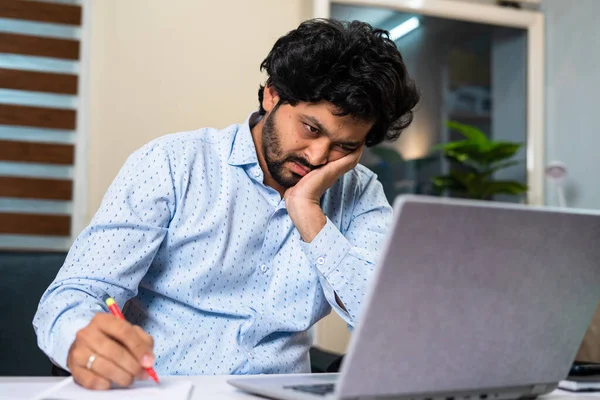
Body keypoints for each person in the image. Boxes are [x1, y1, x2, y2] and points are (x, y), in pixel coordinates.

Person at [33, 18, 419, 390]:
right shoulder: (172, 163)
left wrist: (308, 212)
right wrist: (79, 338)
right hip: (165, 388)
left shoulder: (360, 192)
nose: (319, 156)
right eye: (311, 128)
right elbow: (74, 297)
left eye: (345, 146)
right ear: (272, 95)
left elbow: (386, 329)